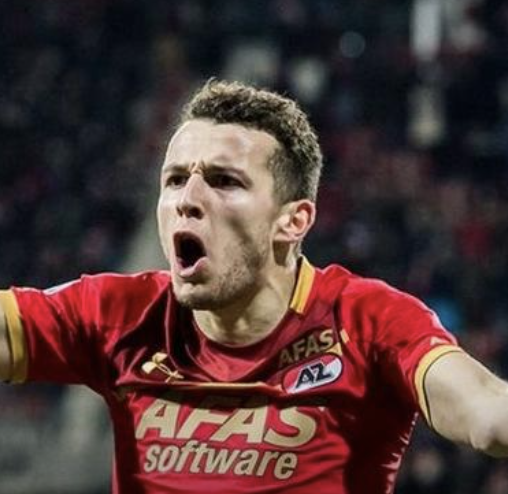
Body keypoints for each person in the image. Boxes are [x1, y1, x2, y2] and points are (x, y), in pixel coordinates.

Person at [0, 79, 507, 494]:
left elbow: (485, 411)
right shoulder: (122, 314)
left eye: (224, 181)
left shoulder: (365, 321)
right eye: (174, 179)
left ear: (294, 221)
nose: (187, 199)